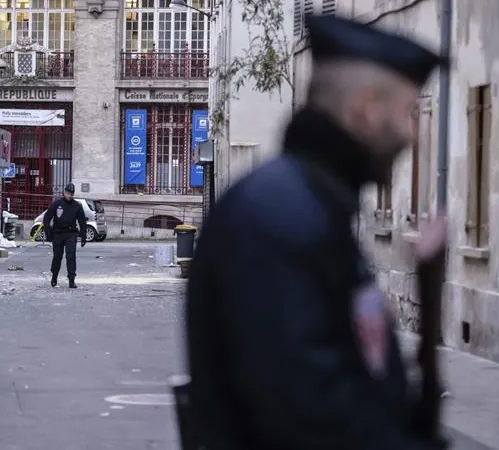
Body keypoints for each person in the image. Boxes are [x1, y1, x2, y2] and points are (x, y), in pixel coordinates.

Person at [185, 14, 450, 450]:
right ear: (365, 109)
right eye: (407, 113)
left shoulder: (310, 205)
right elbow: (312, 417)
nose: (412, 133)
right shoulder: (278, 218)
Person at [43, 183, 87, 288]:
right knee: (57, 256)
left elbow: (82, 221)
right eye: (67, 193)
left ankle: (71, 280)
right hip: (58, 233)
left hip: (71, 233)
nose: (69, 196)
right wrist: (48, 233)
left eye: (71, 194)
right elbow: (47, 218)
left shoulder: (77, 206)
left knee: (71, 256)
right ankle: (54, 276)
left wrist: (83, 235)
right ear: (64, 193)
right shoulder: (57, 204)